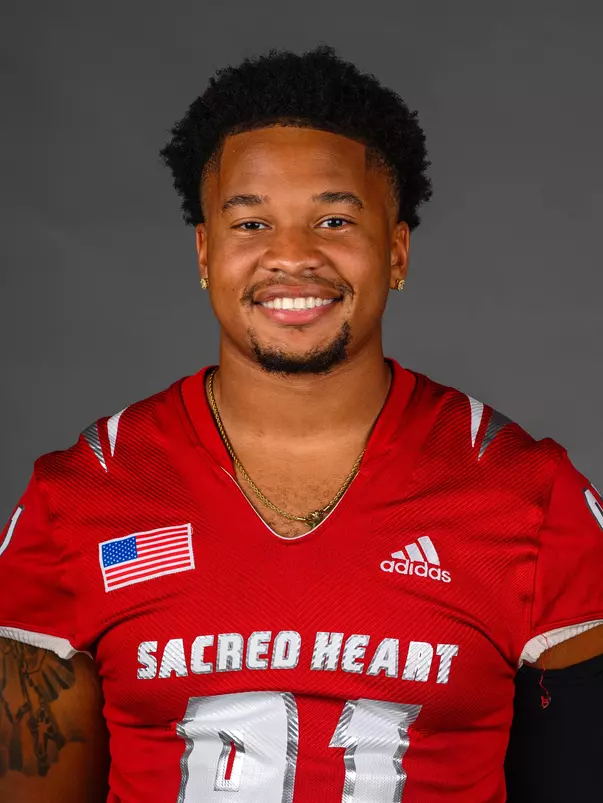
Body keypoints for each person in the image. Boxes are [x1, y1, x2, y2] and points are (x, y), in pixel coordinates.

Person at [0, 45, 602, 803]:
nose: (291, 256)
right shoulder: (80, 496)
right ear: (203, 250)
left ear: (396, 250)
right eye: (250, 222)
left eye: (332, 218)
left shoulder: (532, 497)